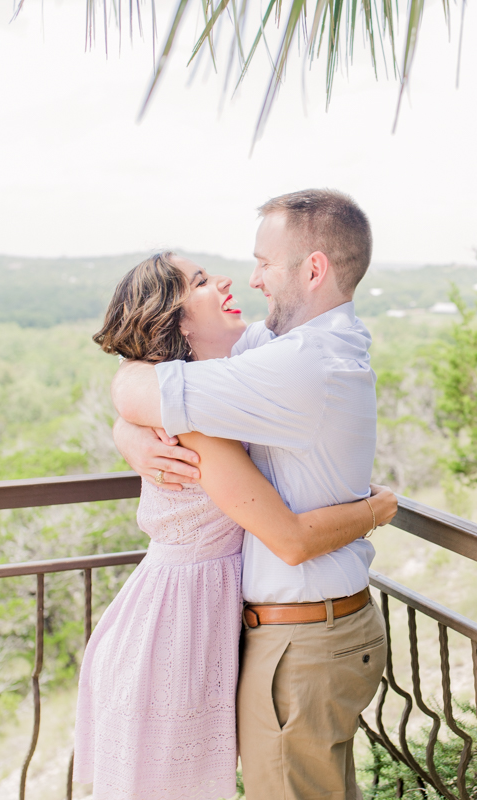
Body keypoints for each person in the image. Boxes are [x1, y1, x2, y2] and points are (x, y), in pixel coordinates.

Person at [73, 251, 396, 800]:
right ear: (175, 322)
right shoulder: (199, 425)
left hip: (203, 616)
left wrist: (127, 429)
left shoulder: (227, 376)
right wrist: (378, 511)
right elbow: (290, 539)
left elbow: (135, 387)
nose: (223, 279)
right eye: (199, 281)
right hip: (175, 627)